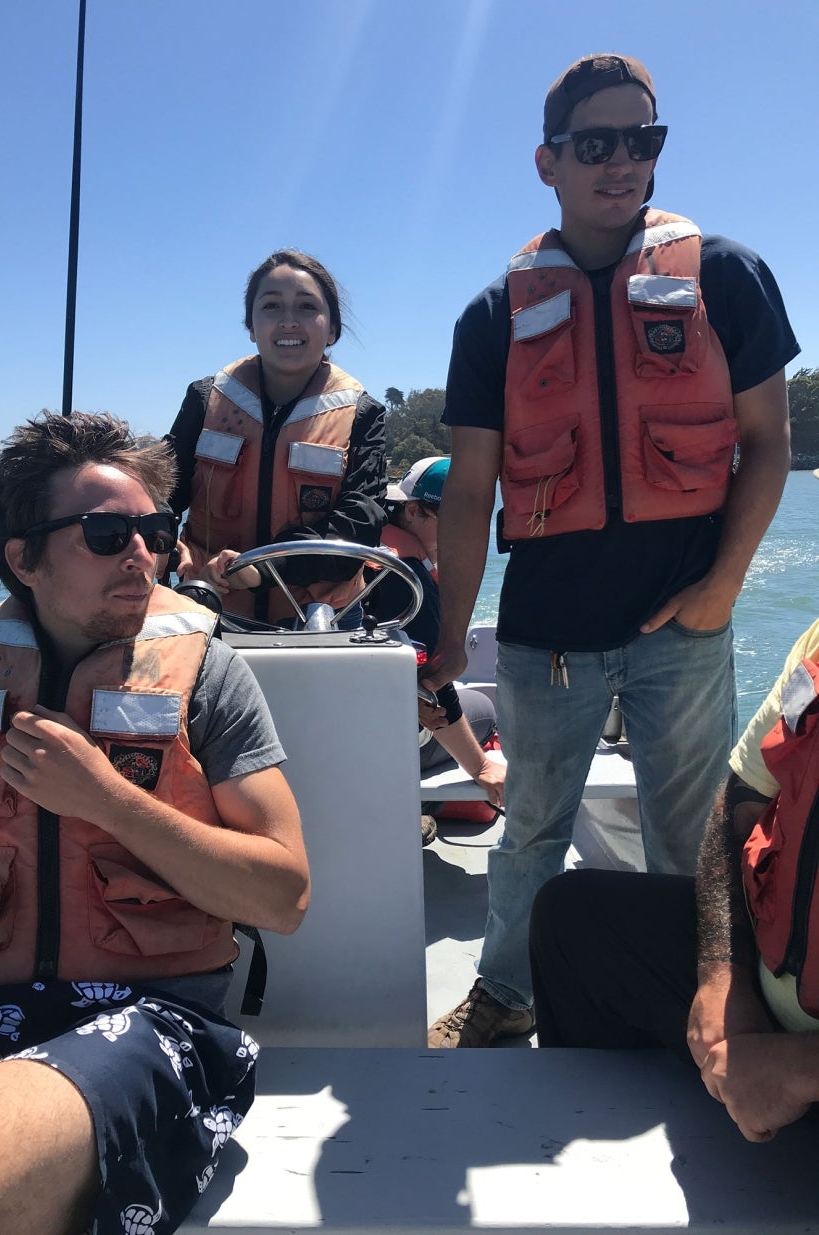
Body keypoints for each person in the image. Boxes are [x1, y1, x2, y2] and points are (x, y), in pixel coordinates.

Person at [425, 52, 798, 1048]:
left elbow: (767, 444)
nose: (621, 160)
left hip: (684, 621)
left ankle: (690, 1005)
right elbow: (467, 491)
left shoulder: (722, 274)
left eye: (643, 139)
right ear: (546, 161)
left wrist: (719, 590)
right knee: (530, 834)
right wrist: (449, 634)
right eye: (595, 142)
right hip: (547, 633)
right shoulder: (490, 316)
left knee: (689, 838)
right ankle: (506, 997)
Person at [0, 412, 310, 1234]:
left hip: (155, 1030)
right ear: (24, 559)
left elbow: (285, 894)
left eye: (155, 530)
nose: (142, 553)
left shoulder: (212, 684)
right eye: (107, 531)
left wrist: (106, 799)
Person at [530, 615, 819, 1144]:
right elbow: (739, 804)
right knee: (571, 918)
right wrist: (722, 976)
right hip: (774, 995)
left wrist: (799, 1068)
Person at [165, 249, 387, 627]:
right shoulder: (204, 399)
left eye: (305, 307)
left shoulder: (363, 414)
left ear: (332, 328)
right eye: (271, 307)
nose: (288, 321)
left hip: (322, 620)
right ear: (250, 327)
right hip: (209, 611)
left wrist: (262, 569)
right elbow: (161, 494)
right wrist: (165, 550)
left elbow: (360, 524)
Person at [375, 456, 503, 845]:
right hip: (387, 743)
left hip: (345, 730)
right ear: (412, 511)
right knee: (485, 709)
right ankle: (420, 808)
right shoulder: (408, 579)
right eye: (453, 519)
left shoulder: (356, 552)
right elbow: (432, 685)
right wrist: (480, 767)